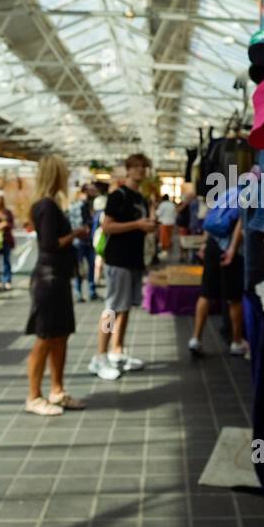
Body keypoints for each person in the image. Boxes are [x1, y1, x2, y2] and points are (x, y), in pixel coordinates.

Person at [24, 155, 89, 416]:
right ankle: (34, 396)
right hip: (50, 279)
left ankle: (57, 390)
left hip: (55, 278)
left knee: (59, 335)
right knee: (46, 338)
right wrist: (75, 234)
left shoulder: (47, 205)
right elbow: (50, 243)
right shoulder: (48, 206)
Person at [90, 154, 156, 381]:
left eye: (143, 168)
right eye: (136, 167)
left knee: (125, 307)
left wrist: (146, 227)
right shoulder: (118, 196)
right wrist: (137, 224)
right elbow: (107, 226)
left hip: (134, 259)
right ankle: (99, 355)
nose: (140, 171)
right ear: (128, 170)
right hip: (118, 260)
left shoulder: (141, 198)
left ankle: (116, 351)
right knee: (111, 308)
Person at [190, 215, 246, 357]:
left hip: (212, 245)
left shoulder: (224, 195)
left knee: (205, 293)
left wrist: (204, 244)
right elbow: (242, 222)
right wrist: (232, 249)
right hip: (230, 249)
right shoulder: (248, 195)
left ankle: (196, 339)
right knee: (234, 298)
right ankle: (236, 342)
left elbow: (211, 220)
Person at [68, 185, 97, 301]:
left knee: (90, 267)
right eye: (92, 190)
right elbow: (77, 223)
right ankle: (79, 292)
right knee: (80, 267)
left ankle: (90, 291)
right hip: (80, 241)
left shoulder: (89, 205)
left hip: (88, 241)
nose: (94, 192)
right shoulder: (79, 205)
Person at [156, 191, 177, 258]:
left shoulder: (162, 204)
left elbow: (158, 213)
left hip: (164, 223)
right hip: (171, 223)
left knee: (164, 238)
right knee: (169, 237)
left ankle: (164, 252)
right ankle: (168, 251)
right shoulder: (172, 204)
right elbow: (175, 213)